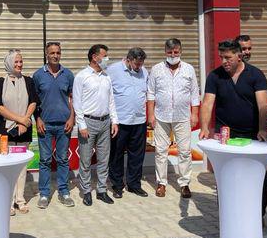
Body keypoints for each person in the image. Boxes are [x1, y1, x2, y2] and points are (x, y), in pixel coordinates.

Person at [199, 39, 267, 218]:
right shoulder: (215, 76)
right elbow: (208, 103)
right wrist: (204, 127)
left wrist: (262, 130)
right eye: (221, 57)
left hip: (252, 135)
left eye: (228, 57)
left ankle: (258, 215)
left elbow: (263, 105)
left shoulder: (256, 75)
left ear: (239, 56)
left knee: (258, 176)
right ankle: (228, 215)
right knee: (226, 176)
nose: (224, 61)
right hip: (226, 136)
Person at [147, 38, 200, 199]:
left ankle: (184, 184)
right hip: (161, 116)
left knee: (184, 151)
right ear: (165, 52)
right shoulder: (156, 69)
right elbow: (151, 93)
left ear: (180, 51)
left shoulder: (189, 69)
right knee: (160, 151)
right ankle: (161, 183)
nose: (173, 55)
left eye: (176, 52)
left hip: (183, 117)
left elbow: (194, 93)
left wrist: (195, 113)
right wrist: (151, 114)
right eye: (170, 52)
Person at [0, 50, 38, 215]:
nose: (19, 65)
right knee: (6, 166)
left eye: (21, 62)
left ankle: (20, 200)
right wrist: (20, 119)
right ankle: (8, 202)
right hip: (5, 131)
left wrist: (25, 120)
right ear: (9, 63)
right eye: (16, 62)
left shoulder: (28, 81)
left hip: (23, 130)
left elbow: (33, 101)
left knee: (21, 166)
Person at [73, 44, 118, 206]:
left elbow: (111, 100)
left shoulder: (106, 77)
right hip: (88, 122)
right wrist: (82, 125)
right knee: (85, 159)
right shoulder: (82, 76)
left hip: (105, 122)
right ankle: (86, 191)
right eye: (104, 56)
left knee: (104, 159)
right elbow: (77, 103)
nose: (107, 59)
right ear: (94, 57)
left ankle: (101, 190)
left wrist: (115, 121)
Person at [33, 42, 75, 209]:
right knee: (44, 160)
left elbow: (73, 99)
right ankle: (44, 194)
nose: (55, 55)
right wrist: (38, 118)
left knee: (63, 159)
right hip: (45, 125)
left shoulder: (68, 75)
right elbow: (34, 101)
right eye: (52, 53)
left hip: (64, 125)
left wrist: (72, 118)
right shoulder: (38, 75)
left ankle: (64, 192)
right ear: (46, 54)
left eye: (58, 52)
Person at [107, 47, 149, 198]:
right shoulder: (113, 70)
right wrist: (112, 120)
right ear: (128, 59)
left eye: (141, 64)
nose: (139, 67)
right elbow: (106, 93)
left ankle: (134, 184)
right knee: (116, 155)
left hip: (139, 121)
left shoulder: (144, 72)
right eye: (136, 64)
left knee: (137, 155)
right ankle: (117, 185)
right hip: (120, 122)